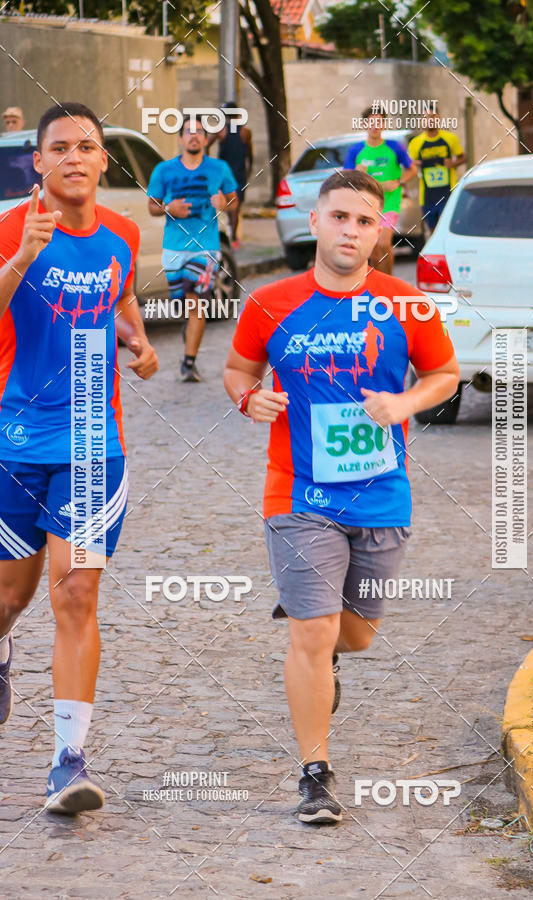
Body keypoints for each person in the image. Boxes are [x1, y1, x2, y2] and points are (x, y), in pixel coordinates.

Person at [224, 169, 460, 824]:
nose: (350, 230)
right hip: (298, 494)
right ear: (315, 219)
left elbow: (444, 374)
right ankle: (315, 775)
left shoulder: (405, 304)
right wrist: (250, 397)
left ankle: (329, 653)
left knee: (354, 636)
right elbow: (239, 367)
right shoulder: (271, 301)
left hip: (382, 493)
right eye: (338, 217)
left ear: (378, 228)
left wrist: (405, 401)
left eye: (363, 220)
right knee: (313, 628)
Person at [0, 102, 158, 814]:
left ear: (102, 161)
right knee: (11, 595)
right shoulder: (10, 226)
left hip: (95, 440)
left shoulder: (122, 234)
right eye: (58, 146)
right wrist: (24, 257)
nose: (73, 156)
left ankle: (69, 760)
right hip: (14, 442)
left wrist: (139, 341)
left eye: (85, 146)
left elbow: (121, 299)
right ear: (38, 162)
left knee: (76, 591)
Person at [147, 116, 238, 382]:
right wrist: (168, 208)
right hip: (173, 249)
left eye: (199, 132)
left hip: (206, 248)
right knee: (184, 304)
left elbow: (233, 201)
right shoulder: (164, 170)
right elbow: (152, 206)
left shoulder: (219, 168)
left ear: (206, 139)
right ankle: (190, 333)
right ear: (180, 138)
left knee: (195, 300)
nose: (194, 136)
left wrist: (224, 203)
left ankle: (189, 362)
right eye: (189, 131)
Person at [344, 106, 417, 274]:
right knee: (374, 249)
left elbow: (412, 170)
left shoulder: (395, 147)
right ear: (364, 125)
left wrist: (398, 182)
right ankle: (378, 286)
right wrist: (357, 172)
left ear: (384, 124)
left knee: (383, 243)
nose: (375, 126)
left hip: (389, 202)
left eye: (379, 122)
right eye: (371, 122)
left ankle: (389, 283)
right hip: (367, 205)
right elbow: (346, 179)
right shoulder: (356, 150)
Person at [408, 114, 466, 233]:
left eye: (432, 116)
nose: (430, 120)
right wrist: (415, 164)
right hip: (427, 196)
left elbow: (463, 157)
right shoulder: (416, 143)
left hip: (448, 193)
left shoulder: (450, 138)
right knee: (433, 232)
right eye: (426, 118)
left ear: (438, 118)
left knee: (446, 229)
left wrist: (452, 164)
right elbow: (408, 165)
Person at [207, 102, 253, 250]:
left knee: (225, 205)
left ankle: (229, 235)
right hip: (239, 173)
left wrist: (208, 165)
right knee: (236, 206)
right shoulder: (245, 132)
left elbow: (206, 145)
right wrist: (249, 170)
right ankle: (233, 237)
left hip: (224, 174)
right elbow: (250, 154)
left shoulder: (221, 131)